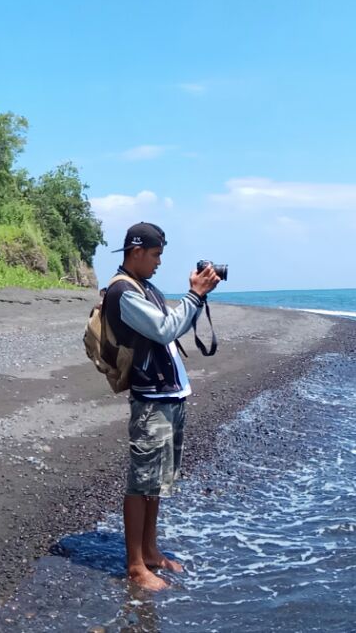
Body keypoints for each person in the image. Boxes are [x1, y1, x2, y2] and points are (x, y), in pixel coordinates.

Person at [103, 221, 220, 591]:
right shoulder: (123, 292)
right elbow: (167, 328)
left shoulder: (145, 287)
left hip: (168, 394)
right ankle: (136, 566)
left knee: (156, 483)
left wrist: (197, 297)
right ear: (136, 252)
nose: (158, 262)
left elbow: (172, 326)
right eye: (155, 255)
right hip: (150, 399)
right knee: (140, 483)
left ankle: (150, 551)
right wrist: (195, 294)